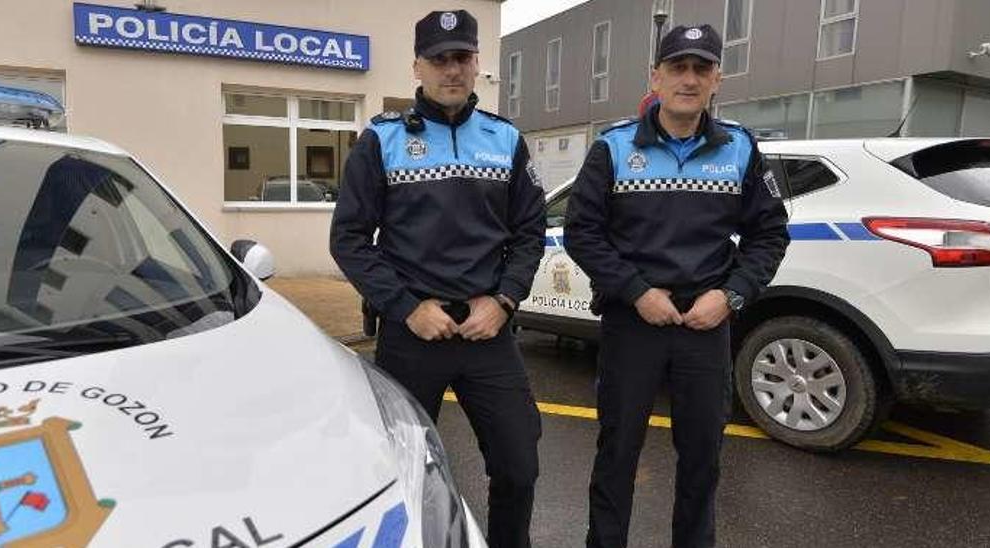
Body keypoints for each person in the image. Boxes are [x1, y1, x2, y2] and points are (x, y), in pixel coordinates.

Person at [565, 24, 790, 548]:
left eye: (701, 69)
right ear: (657, 77)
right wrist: (637, 291)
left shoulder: (740, 148)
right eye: (678, 68)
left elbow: (769, 234)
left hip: (705, 324)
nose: (689, 80)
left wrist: (731, 295)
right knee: (617, 451)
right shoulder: (614, 148)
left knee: (702, 456)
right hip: (632, 321)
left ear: (717, 80)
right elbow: (582, 231)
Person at [329, 9, 546, 548]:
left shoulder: (505, 139)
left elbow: (529, 232)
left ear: (477, 65)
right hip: (413, 333)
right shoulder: (381, 141)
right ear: (417, 68)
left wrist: (505, 300)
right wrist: (405, 307)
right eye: (439, 58)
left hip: (488, 330)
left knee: (519, 467)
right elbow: (350, 240)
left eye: (462, 57)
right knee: (400, 473)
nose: (452, 69)